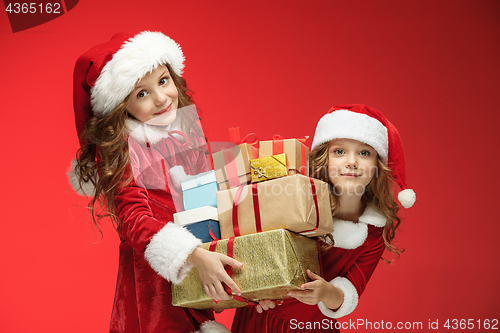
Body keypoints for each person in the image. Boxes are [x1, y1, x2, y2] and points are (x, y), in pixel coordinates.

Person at [68, 31, 242, 333]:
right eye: (141, 94)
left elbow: (203, 196)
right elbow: (134, 220)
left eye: (163, 81)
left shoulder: (183, 128)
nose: (161, 98)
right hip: (153, 280)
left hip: (197, 264)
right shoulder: (122, 144)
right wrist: (194, 254)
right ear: (122, 106)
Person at [231, 104, 416, 332]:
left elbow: (350, 290)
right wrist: (259, 293)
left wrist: (326, 293)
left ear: (378, 166)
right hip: (261, 321)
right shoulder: (298, 197)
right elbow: (259, 248)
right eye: (340, 151)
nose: (352, 162)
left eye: (364, 152)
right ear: (323, 159)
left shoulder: (374, 230)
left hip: (314, 326)